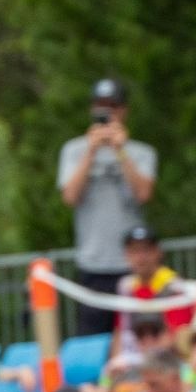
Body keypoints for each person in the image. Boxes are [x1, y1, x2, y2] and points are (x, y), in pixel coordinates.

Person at [58, 78, 160, 336]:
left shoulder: (141, 152)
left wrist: (120, 151)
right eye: (100, 105)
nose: (106, 112)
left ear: (123, 111)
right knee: (93, 341)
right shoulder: (74, 150)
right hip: (92, 266)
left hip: (132, 267)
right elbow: (69, 196)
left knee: (137, 337)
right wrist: (91, 152)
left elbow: (144, 194)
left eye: (113, 106)